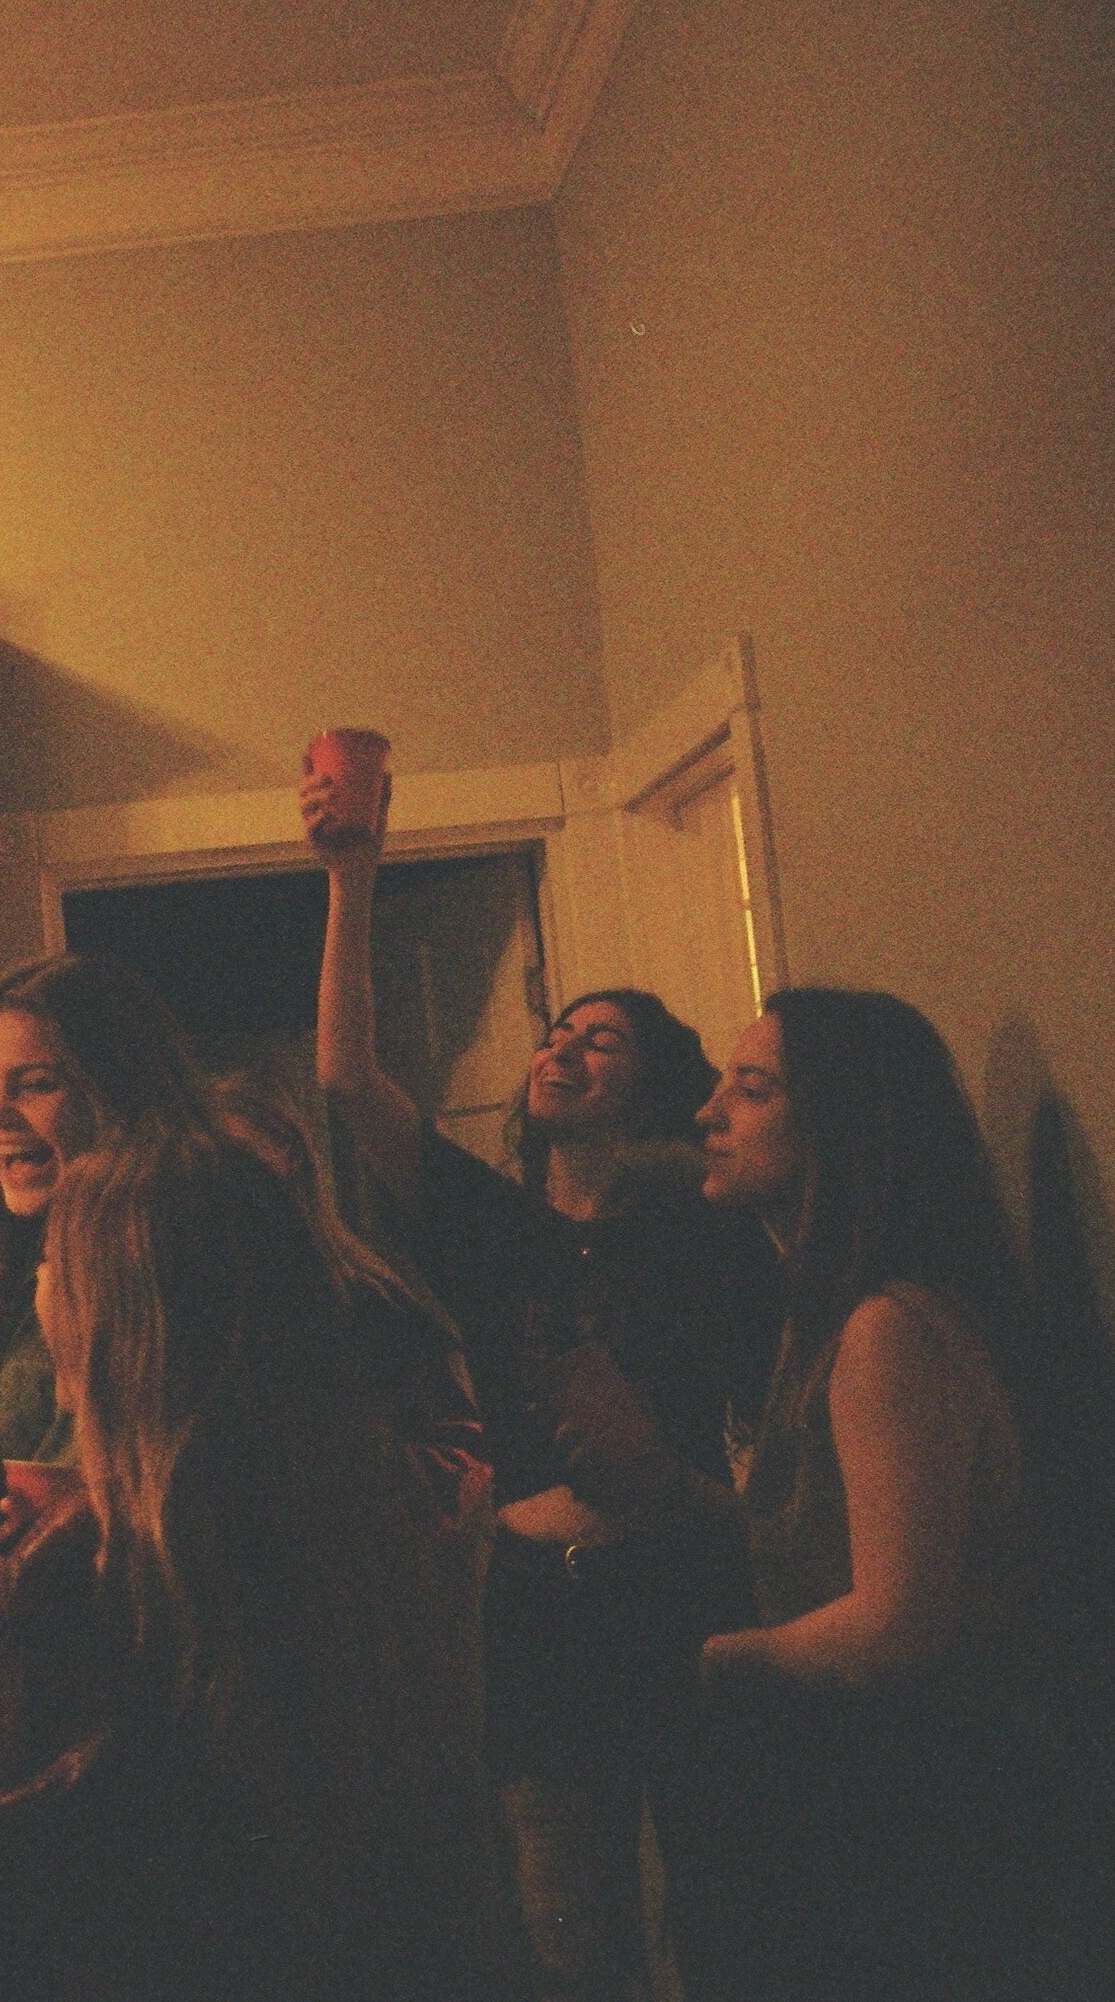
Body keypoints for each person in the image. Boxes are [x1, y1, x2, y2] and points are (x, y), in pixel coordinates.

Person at [306, 773, 780, 2002]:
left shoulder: (710, 1235)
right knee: (567, 1942)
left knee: (721, 1930)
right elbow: (349, 1082)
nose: (560, 1046)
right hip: (532, 1616)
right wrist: (352, 871)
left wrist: (675, 1481)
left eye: (599, 1038)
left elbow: (777, 1446)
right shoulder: (493, 1226)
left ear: (654, 1083)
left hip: (681, 1599)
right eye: (553, 1030)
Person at [0, 1126, 521, 2000]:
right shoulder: (358, 1497)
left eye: (54, 1264)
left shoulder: (94, 1565)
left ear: (111, 1311)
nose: (39, 1286)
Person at [679, 990, 1057, 1999]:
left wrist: (719, 1661)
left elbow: (897, 1622)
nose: (707, 1112)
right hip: (893, 1782)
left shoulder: (884, 1328)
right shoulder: (832, 1313)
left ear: (843, 1124)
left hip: (911, 1797)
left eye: (750, 1089)